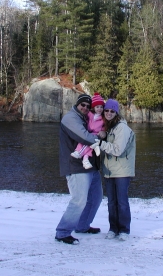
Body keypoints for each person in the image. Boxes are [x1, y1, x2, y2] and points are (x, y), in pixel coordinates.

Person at [55, 93, 106, 245]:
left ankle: (82, 226)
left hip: (90, 165)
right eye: (82, 105)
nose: (84, 108)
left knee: (96, 198)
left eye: (87, 106)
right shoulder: (70, 118)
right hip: (75, 166)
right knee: (79, 201)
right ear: (77, 105)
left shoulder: (86, 117)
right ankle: (63, 232)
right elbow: (84, 137)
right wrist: (102, 137)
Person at [90, 99, 136, 241]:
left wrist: (101, 143)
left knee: (121, 201)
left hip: (122, 171)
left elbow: (117, 150)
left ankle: (124, 230)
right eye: (107, 110)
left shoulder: (122, 128)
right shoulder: (109, 127)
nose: (109, 113)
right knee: (111, 202)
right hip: (109, 170)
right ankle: (113, 229)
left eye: (112, 111)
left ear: (116, 113)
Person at [71, 92, 105, 169]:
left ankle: (84, 159)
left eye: (101, 107)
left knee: (89, 145)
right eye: (97, 107)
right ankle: (79, 153)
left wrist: (103, 132)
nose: (99, 109)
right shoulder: (89, 114)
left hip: (96, 134)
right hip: (88, 132)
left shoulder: (103, 119)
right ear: (93, 108)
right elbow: (83, 116)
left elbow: (104, 128)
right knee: (85, 142)